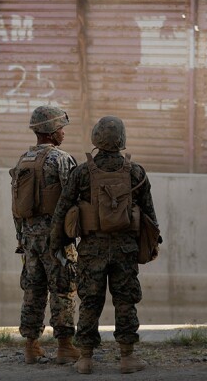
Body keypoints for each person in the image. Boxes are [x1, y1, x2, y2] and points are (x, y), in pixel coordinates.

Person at [50, 116, 158, 375]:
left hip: (91, 249)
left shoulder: (83, 171)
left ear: (96, 138)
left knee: (90, 301)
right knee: (125, 302)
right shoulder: (135, 171)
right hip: (125, 250)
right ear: (121, 139)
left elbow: (62, 209)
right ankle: (127, 357)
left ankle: (85, 359)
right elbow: (149, 216)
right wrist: (152, 246)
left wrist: (56, 243)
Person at [11, 105, 80, 365]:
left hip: (29, 240)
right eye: (61, 128)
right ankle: (65, 346)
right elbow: (74, 199)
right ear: (51, 131)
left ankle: (31, 346)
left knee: (33, 291)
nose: (63, 132)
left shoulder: (23, 159)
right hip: (56, 240)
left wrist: (21, 238)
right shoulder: (61, 159)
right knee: (63, 289)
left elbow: (16, 206)